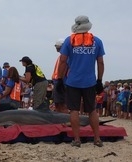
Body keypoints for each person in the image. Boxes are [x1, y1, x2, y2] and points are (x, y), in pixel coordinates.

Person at [56, 15, 105, 147]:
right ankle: (97, 139)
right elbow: (100, 62)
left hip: (72, 81)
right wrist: (100, 80)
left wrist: (59, 79)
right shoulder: (97, 41)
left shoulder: (69, 40)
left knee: (74, 110)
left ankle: (77, 140)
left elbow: (62, 61)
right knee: (92, 110)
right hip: (90, 81)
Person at [51, 39, 69, 113]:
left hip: (62, 81)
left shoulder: (66, 56)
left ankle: (64, 120)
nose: (56, 48)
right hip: (57, 80)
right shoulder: (61, 56)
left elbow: (65, 68)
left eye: (57, 46)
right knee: (57, 103)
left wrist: (60, 80)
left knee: (62, 103)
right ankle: (60, 119)